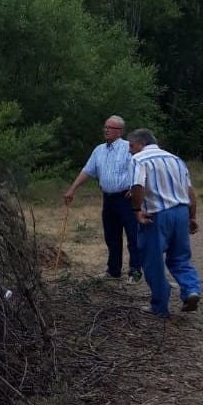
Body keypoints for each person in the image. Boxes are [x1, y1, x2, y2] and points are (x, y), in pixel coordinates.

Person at [127, 128, 202, 319]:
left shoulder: (139, 159)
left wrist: (136, 211)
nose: (129, 150)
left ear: (141, 143)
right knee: (180, 257)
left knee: (152, 259)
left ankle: (159, 305)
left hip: (156, 215)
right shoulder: (176, 159)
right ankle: (191, 289)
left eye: (131, 145)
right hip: (180, 212)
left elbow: (138, 186)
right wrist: (192, 217)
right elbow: (189, 191)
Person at [63, 115, 143, 282]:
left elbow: (139, 167)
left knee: (133, 235)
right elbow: (87, 171)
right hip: (108, 198)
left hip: (126, 198)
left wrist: (134, 188)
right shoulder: (99, 150)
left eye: (110, 128)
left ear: (119, 131)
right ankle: (113, 270)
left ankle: (135, 271)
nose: (106, 130)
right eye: (105, 127)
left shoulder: (128, 148)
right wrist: (72, 189)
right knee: (111, 236)